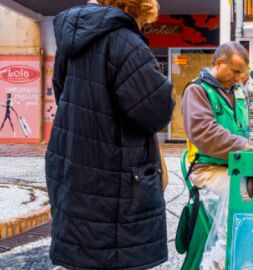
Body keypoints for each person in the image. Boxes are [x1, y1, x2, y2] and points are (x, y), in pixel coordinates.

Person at [45, 1, 174, 269]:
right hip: (116, 173)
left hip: (73, 161)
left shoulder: (71, 43)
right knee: (113, 252)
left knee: (82, 249)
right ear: (137, 9)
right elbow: (154, 111)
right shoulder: (126, 42)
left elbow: (61, 93)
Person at [182, 42, 253, 270]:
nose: (239, 79)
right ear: (219, 63)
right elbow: (204, 133)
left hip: (240, 164)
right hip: (208, 169)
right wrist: (244, 145)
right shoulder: (197, 90)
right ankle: (218, 261)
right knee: (238, 191)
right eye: (236, 71)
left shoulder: (238, 90)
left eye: (243, 74)